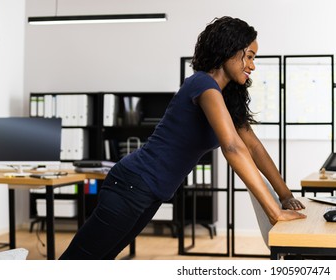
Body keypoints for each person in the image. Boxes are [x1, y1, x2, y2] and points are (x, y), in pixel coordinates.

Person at [59, 16, 306, 260]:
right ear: (229, 51)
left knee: (102, 258)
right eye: (249, 56)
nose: (252, 66)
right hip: (131, 185)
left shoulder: (225, 97)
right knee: (79, 260)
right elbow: (232, 147)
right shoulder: (202, 84)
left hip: (151, 192)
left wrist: (285, 196)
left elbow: (253, 146)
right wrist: (274, 212)